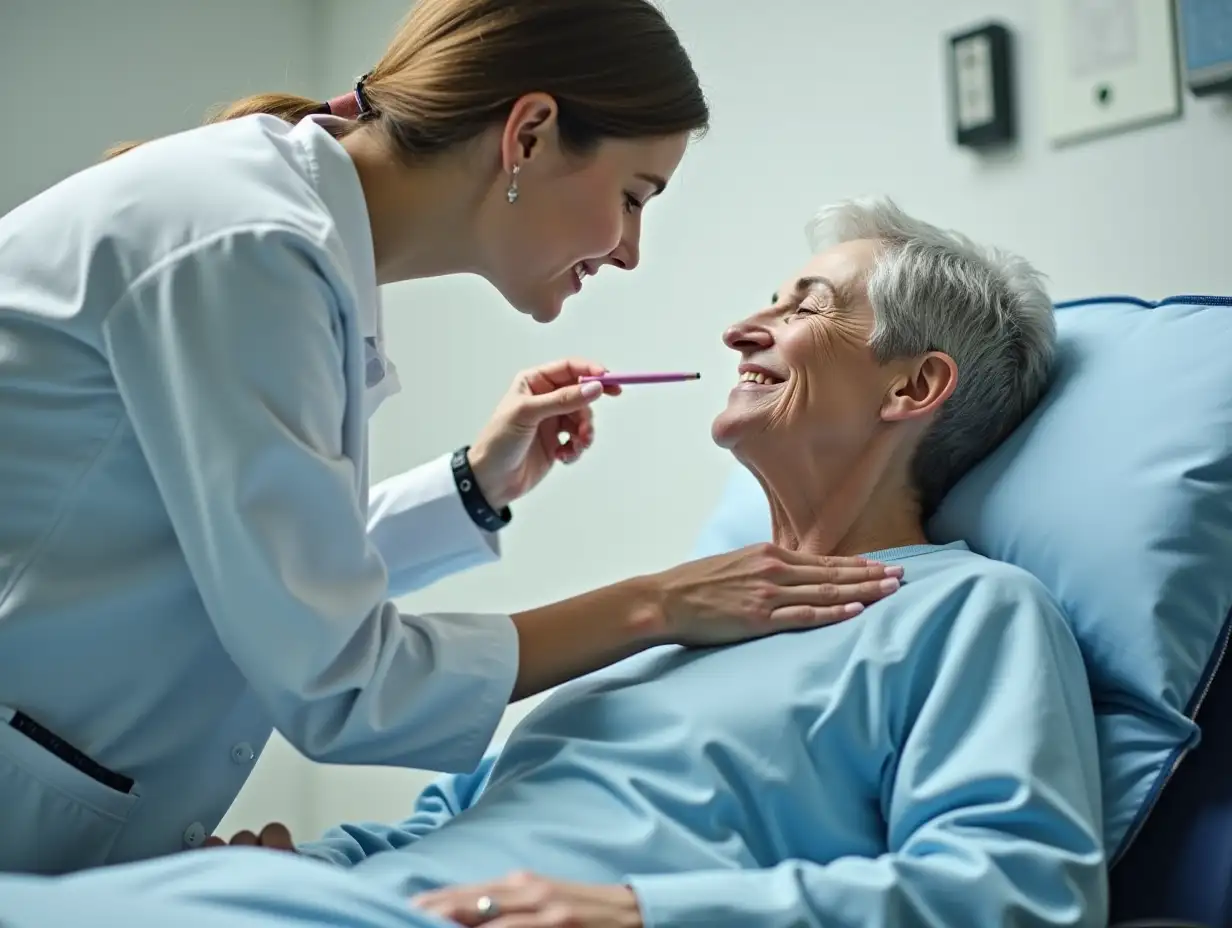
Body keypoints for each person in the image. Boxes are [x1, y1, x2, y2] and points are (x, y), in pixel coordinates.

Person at [0, 198, 1108, 928]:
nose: (741, 327)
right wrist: (318, 865)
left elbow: (1019, 892)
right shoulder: (680, 626)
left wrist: (636, 913)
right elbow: (455, 818)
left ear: (912, 390)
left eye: (801, 305)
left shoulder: (967, 615)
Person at [0, 0, 903, 876]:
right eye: (633, 196)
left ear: (919, 386)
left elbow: (261, 572)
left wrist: (476, 483)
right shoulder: (249, 248)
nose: (630, 248)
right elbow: (339, 678)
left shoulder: (273, 230)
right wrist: (656, 604)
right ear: (530, 132)